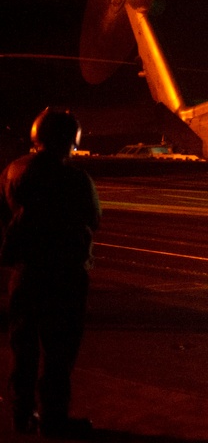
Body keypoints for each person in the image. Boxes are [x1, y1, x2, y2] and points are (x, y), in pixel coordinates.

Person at [0, 108, 100, 438]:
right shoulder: (74, 178)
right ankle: (53, 419)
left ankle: (21, 415)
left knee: (22, 349)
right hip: (64, 277)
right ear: (69, 139)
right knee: (58, 355)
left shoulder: (12, 171)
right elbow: (93, 220)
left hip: (24, 274)